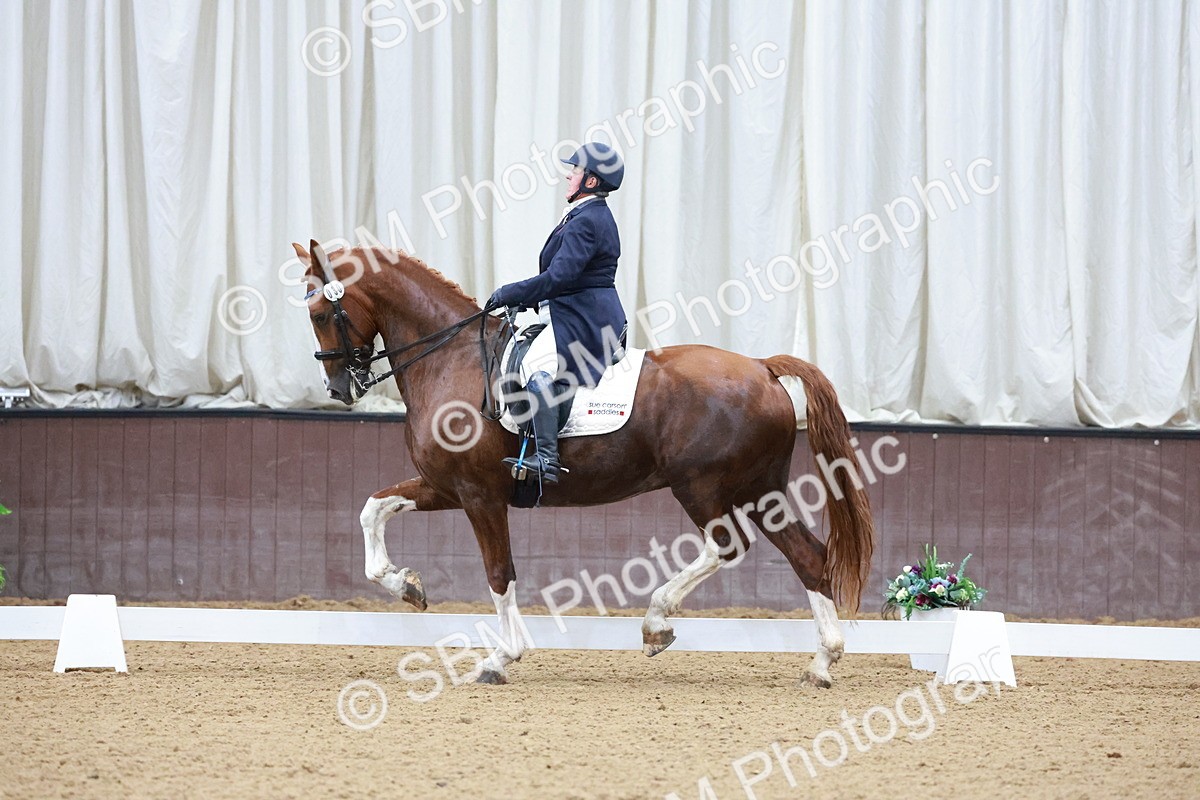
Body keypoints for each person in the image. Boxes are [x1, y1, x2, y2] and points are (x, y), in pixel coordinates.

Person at [487, 141, 627, 484]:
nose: (569, 174)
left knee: (537, 367)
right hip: (575, 310)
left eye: (576, 171)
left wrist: (511, 292)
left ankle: (547, 459)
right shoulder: (584, 215)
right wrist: (531, 300)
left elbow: (560, 276)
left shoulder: (587, 221)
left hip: (588, 319)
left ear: (590, 182)